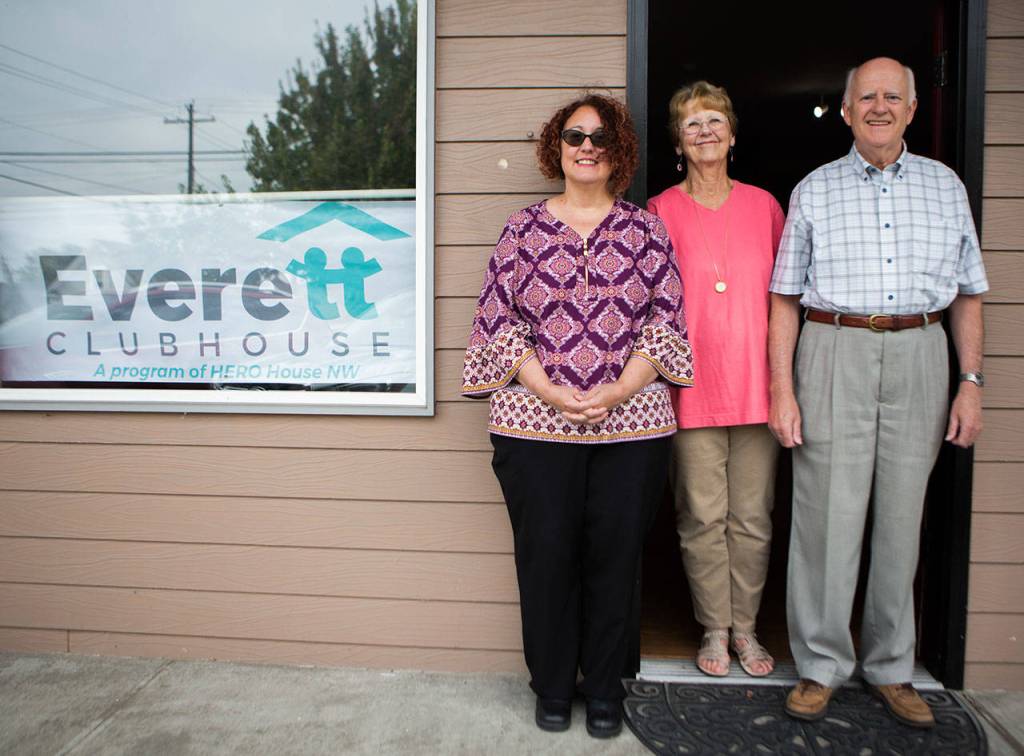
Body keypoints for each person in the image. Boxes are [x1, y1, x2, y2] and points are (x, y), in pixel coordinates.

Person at [462, 93, 694, 738]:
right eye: (574, 136)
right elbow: (496, 321)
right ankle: (554, 684)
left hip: (633, 426)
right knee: (547, 555)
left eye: (600, 136)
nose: (586, 146)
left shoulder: (646, 229)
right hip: (534, 426)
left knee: (614, 557)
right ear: (556, 148)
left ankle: (605, 688)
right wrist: (549, 390)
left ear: (618, 151)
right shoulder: (522, 230)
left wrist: (619, 389)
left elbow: (666, 320)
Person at [768, 57, 987, 728]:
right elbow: (783, 300)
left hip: (922, 352)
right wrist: (783, 387)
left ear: (914, 109)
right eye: (868, 96)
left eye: (894, 96)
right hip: (833, 348)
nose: (880, 106)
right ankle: (821, 665)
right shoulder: (814, 189)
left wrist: (970, 382)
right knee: (827, 516)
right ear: (846, 109)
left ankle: (893, 667)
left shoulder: (946, 187)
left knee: (901, 515)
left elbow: (969, 296)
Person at [648, 81, 783, 679]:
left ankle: (749, 630)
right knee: (702, 517)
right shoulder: (659, 210)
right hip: (690, 387)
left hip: (758, 387)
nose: (704, 132)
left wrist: (788, 384)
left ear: (733, 133)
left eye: (714, 121)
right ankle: (715, 627)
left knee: (752, 517)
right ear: (678, 140)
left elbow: (788, 300)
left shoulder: (765, 206)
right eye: (691, 123)